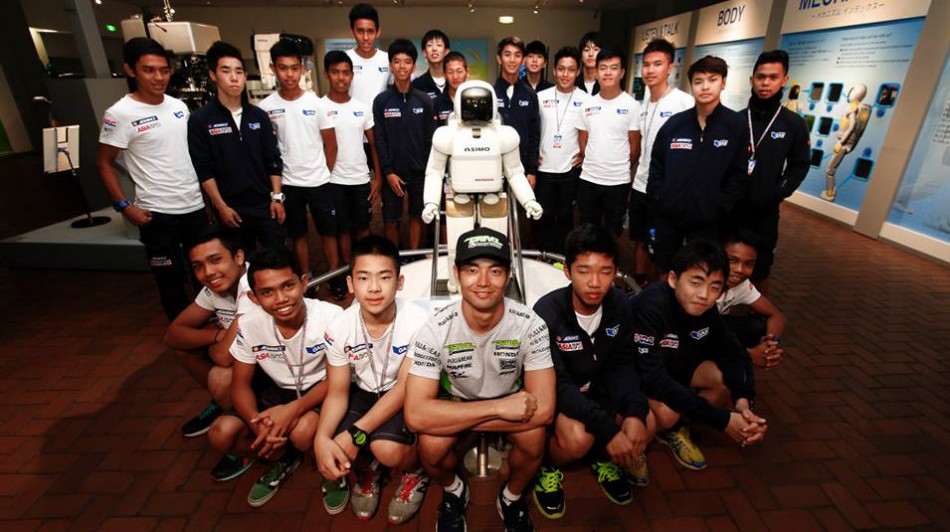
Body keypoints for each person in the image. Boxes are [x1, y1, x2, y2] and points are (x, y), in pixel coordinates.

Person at [404, 227, 556, 532]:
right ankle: (454, 490)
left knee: (535, 438)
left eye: (495, 271)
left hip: (503, 400)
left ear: (508, 275)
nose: (483, 282)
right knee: (430, 447)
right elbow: (415, 415)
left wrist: (456, 419)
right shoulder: (434, 328)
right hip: (469, 401)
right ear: (457, 274)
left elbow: (545, 410)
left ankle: (511, 497)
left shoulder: (531, 325)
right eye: (472, 270)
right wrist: (497, 410)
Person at [531, 224, 652, 519]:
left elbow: (624, 364)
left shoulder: (621, 304)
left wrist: (634, 412)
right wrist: (608, 430)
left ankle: (601, 457)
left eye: (605, 271)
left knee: (646, 421)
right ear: (567, 271)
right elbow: (557, 384)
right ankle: (547, 466)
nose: (595, 283)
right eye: (584, 271)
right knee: (577, 440)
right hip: (563, 398)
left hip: (600, 391)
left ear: (615, 272)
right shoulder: (546, 312)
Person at [207, 246, 343, 507]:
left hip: (320, 388)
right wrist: (256, 424)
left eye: (288, 286)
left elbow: (337, 381)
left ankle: (325, 464)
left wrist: (293, 410)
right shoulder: (249, 324)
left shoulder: (331, 317)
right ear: (254, 298)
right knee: (220, 434)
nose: (280, 299)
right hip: (277, 391)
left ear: (304, 282)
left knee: (303, 431)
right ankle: (282, 457)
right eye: (267, 292)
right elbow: (240, 385)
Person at [314, 236, 431, 523]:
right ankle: (369, 470)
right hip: (363, 391)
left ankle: (415, 472)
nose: (374, 287)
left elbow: (404, 387)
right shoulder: (339, 326)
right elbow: (337, 392)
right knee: (333, 441)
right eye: (364, 278)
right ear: (351, 284)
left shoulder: (418, 322)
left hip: (402, 392)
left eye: (384, 277)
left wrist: (356, 433)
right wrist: (321, 439)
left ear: (399, 282)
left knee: (386, 449)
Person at [630, 240, 768, 472]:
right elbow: (653, 379)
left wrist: (743, 402)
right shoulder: (651, 305)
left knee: (724, 382)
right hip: (639, 376)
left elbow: (736, 353)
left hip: (674, 368)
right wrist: (723, 420)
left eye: (715, 287)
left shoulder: (707, 308)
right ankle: (656, 433)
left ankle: (675, 429)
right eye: (696, 282)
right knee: (664, 416)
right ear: (673, 279)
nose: (704, 295)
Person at [97, 37, 207, 321]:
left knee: (205, 275)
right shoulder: (119, 114)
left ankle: (209, 325)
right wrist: (124, 206)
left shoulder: (178, 107)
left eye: (164, 70)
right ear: (130, 70)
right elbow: (104, 163)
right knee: (171, 280)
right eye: (149, 70)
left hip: (193, 207)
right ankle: (181, 330)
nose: (158, 77)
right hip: (156, 213)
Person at [164, 226, 256, 478]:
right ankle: (222, 403)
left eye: (216, 260)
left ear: (239, 257)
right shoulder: (214, 287)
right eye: (198, 266)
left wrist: (219, 342)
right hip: (241, 358)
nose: (208, 273)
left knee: (221, 376)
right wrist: (217, 335)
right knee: (184, 350)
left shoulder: (254, 285)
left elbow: (223, 357)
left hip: (275, 369)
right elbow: (173, 334)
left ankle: (247, 435)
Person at [647, 55, 747, 276]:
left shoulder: (735, 126)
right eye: (698, 81)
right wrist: (660, 196)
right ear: (691, 85)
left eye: (712, 80)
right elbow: (657, 166)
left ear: (723, 82)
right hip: (669, 216)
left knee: (701, 273)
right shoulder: (675, 124)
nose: (705, 87)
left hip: (709, 221)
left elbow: (739, 174)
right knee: (664, 269)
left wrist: (721, 205)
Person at [258, 40, 341, 295]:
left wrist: (324, 172)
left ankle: (335, 277)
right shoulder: (265, 108)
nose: (289, 74)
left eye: (294, 68)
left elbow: (331, 145)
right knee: (298, 235)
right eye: (283, 68)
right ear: (273, 68)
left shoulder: (317, 104)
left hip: (319, 181)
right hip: (288, 184)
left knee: (329, 233)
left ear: (302, 69)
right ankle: (306, 281)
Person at [188, 41, 286, 252]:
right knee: (240, 261)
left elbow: (272, 160)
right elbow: (203, 169)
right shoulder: (201, 120)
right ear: (213, 75)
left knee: (277, 256)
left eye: (239, 71)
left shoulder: (259, 116)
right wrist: (221, 207)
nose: (234, 77)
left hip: (264, 205)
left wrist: (277, 198)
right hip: (230, 208)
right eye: (226, 71)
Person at [733, 50, 810, 294]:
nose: (765, 83)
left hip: (764, 214)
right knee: (723, 266)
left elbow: (799, 164)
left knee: (760, 270)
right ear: (751, 80)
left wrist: (777, 193)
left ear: (784, 80)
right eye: (760, 77)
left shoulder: (793, 124)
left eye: (773, 77)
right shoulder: (735, 121)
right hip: (731, 211)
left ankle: (756, 315)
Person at [630, 39, 694, 287]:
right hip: (640, 186)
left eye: (657, 64)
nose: (650, 70)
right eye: (646, 64)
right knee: (640, 240)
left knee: (663, 248)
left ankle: (661, 293)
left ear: (670, 67)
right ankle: (639, 287)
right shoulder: (643, 104)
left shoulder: (683, 103)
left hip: (666, 190)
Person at [321, 51, 382, 272]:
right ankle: (348, 272)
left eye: (346, 73)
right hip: (333, 180)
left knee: (363, 227)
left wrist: (378, 178)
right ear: (327, 74)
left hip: (360, 179)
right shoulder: (319, 107)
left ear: (352, 76)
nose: (341, 78)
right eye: (335, 72)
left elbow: (374, 145)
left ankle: (366, 268)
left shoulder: (362, 108)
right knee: (343, 230)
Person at [373, 38, 435, 249]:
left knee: (416, 216)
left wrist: (426, 169)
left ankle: (414, 254)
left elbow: (429, 139)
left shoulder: (424, 100)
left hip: (419, 172)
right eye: (397, 61)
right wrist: (388, 172)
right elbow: (380, 139)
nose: (402, 66)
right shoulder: (381, 101)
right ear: (391, 65)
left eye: (407, 62)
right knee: (391, 219)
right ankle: (394, 257)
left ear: (413, 66)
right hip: (392, 173)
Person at [576, 46, 641, 236]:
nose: (608, 73)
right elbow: (583, 141)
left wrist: (618, 168)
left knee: (613, 232)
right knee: (587, 231)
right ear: (596, 72)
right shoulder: (587, 104)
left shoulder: (632, 106)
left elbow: (635, 148)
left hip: (618, 182)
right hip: (589, 179)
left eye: (613, 68)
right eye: (603, 68)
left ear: (622, 72)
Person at [534, 46, 587, 253]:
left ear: (578, 72)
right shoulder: (540, 97)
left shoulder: (585, 100)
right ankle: (543, 256)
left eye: (571, 70)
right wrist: (532, 155)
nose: (566, 74)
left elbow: (590, 133)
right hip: (544, 168)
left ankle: (562, 259)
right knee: (543, 217)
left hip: (569, 169)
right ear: (554, 70)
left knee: (565, 217)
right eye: (561, 69)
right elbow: (532, 130)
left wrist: (585, 155)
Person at [719, 232, 786, 371]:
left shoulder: (741, 284)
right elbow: (693, 336)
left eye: (748, 264)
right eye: (732, 260)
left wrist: (770, 346)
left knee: (757, 327)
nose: (739, 270)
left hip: (711, 327)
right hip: (686, 337)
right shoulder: (701, 283)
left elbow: (776, 316)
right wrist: (748, 354)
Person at [493, 37, 541, 189]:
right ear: (499, 59)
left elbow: (534, 134)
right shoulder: (490, 93)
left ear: (523, 60)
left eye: (517, 55)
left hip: (521, 169)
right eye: (507, 54)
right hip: (494, 166)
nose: (512, 60)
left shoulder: (530, 94)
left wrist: (532, 171)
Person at [346, 3, 389, 108]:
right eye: (360, 31)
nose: (365, 37)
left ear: (378, 32)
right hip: (351, 117)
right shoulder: (344, 59)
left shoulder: (388, 59)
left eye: (370, 31)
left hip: (380, 118)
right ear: (352, 31)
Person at [433, 51, 468, 127]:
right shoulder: (436, 103)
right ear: (444, 74)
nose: (455, 76)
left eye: (459, 71)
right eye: (450, 72)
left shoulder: (474, 101)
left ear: (467, 72)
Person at [413, 29, 451, 100]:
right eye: (429, 45)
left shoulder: (454, 81)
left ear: (446, 52)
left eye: (439, 45)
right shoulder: (417, 85)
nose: (434, 49)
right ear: (424, 53)